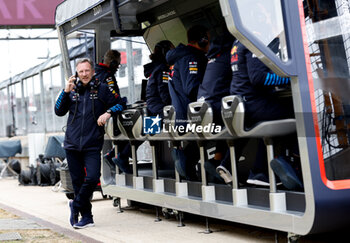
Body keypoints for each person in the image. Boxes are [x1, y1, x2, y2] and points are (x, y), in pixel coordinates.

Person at [55, 58, 125, 229]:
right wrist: (65, 91)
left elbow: (121, 103)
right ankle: (87, 217)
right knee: (78, 182)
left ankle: (76, 205)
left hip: (92, 143)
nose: (84, 74)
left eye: (87, 71)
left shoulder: (102, 89)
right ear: (76, 74)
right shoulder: (71, 91)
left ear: (92, 71)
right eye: (81, 72)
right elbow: (58, 111)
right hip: (72, 144)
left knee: (93, 178)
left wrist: (108, 112)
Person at [225, 39, 302, 190]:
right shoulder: (252, 39)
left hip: (242, 102)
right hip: (253, 103)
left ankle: (260, 172)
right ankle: (291, 164)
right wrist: (287, 78)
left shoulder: (237, 41)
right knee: (298, 117)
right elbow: (258, 77)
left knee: (270, 122)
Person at [166, 25, 209, 180]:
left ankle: (187, 162)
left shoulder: (181, 57)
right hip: (189, 115)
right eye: (208, 40)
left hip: (181, 114)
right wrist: (209, 96)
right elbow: (192, 88)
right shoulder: (190, 58)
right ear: (203, 40)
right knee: (219, 130)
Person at [196, 31, 235, 183]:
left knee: (226, 121)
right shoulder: (228, 57)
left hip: (203, 110)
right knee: (242, 121)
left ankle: (216, 161)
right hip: (214, 109)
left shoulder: (211, 59)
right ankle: (227, 165)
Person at [94, 50, 128, 174]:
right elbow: (114, 98)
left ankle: (113, 156)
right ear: (112, 63)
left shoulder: (96, 72)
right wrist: (123, 101)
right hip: (107, 116)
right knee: (133, 132)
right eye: (118, 64)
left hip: (99, 116)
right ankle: (117, 157)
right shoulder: (107, 77)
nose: (118, 67)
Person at [146, 40, 174, 116]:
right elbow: (164, 90)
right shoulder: (162, 69)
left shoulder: (156, 67)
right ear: (165, 52)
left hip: (153, 106)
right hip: (159, 107)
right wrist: (172, 105)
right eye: (171, 51)